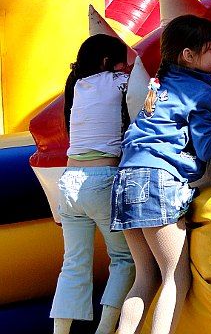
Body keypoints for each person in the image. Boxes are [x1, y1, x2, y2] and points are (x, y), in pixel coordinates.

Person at [111, 15, 211, 334]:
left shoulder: (158, 85)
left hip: (126, 179)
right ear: (188, 55)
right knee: (175, 277)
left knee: (145, 277)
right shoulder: (201, 96)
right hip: (158, 180)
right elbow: (207, 147)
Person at [51, 34, 135, 334]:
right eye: (122, 63)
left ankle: (61, 331)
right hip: (101, 180)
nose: (126, 68)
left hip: (69, 182)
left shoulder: (76, 85)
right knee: (125, 259)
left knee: (74, 264)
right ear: (107, 62)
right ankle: (105, 330)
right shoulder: (120, 81)